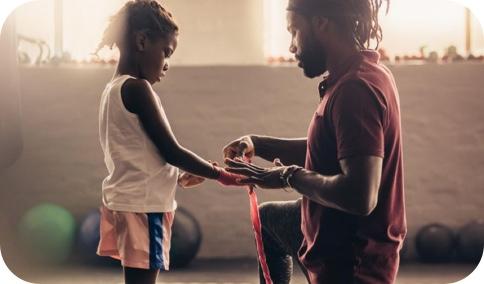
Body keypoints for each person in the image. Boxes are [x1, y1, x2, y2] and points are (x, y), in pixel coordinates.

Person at [223, 0, 406, 283]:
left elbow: (360, 196)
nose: (291, 46)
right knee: (269, 220)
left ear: (321, 23)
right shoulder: (361, 74)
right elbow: (333, 150)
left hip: (352, 265)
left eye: (294, 31)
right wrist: (259, 144)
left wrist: (287, 176)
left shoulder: (355, 90)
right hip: (338, 235)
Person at [95, 1, 242, 283]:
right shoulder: (138, 89)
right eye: (166, 52)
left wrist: (175, 177)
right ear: (142, 40)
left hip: (129, 202)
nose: (167, 64)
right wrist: (221, 175)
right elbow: (172, 151)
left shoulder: (112, 90)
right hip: (144, 207)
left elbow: (138, 155)